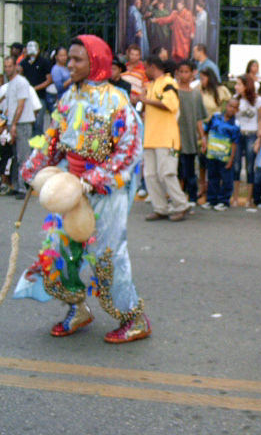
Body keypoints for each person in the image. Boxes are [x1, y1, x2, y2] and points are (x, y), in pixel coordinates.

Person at [16, 34, 151, 343]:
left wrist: (94, 180)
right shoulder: (68, 98)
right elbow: (54, 139)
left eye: (77, 60)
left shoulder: (118, 101)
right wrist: (33, 169)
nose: (70, 64)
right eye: (70, 58)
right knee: (60, 249)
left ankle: (134, 318)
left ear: (96, 62)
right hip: (68, 188)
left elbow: (128, 151)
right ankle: (77, 309)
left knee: (107, 254)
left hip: (103, 192)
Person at [140, 55, 190, 222]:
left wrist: (146, 100)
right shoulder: (151, 85)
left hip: (166, 138)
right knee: (150, 175)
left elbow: (171, 105)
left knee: (167, 173)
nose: (145, 71)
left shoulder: (168, 83)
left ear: (153, 66)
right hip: (150, 137)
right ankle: (160, 207)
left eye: (146, 67)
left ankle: (181, 205)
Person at [197, 67, 232, 200]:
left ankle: (215, 189)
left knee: (214, 160)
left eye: (203, 78)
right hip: (202, 126)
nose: (202, 81)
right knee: (202, 158)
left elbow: (230, 104)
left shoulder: (221, 90)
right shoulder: (200, 90)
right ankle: (202, 186)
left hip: (216, 129)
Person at [3, 56, 35, 200]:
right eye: (5, 66)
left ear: (15, 66)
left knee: (23, 156)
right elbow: (11, 105)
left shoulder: (21, 82)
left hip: (22, 123)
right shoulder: (10, 84)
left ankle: (23, 187)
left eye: (10, 66)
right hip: (13, 122)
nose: (7, 69)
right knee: (15, 156)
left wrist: (14, 124)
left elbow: (21, 105)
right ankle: (17, 185)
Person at [176, 60, 207, 205]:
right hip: (175, 137)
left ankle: (192, 197)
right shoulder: (174, 92)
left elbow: (199, 119)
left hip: (189, 137)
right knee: (176, 170)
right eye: (181, 72)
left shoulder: (195, 94)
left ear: (192, 74)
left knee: (189, 170)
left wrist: (203, 137)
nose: (184, 75)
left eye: (186, 71)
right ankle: (177, 196)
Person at [232, 74, 261, 207]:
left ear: (246, 86)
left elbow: (260, 119)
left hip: (252, 134)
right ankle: (235, 197)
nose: (236, 87)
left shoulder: (258, 100)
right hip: (239, 134)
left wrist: (259, 139)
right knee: (236, 165)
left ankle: (249, 198)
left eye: (239, 84)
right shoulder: (236, 99)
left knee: (250, 166)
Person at [203, 98, 241, 211]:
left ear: (237, 110)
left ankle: (223, 201)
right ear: (226, 106)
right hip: (212, 154)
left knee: (226, 179)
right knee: (212, 177)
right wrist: (204, 143)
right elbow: (205, 130)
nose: (231, 109)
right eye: (230, 106)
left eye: (235, 107)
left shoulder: (235, 125)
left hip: (225, 156)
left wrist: (231, 159)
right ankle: (211, 200)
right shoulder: (215, 117)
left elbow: (235, 143)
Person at [20, 40, 52, 136]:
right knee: (28, 122)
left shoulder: (44, 62)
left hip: (40, 96)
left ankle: (37, 146)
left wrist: (35, 88)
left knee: (38, 123)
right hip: (27, 97)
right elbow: (20, 76)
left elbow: (49, 80)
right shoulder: (24, 63)